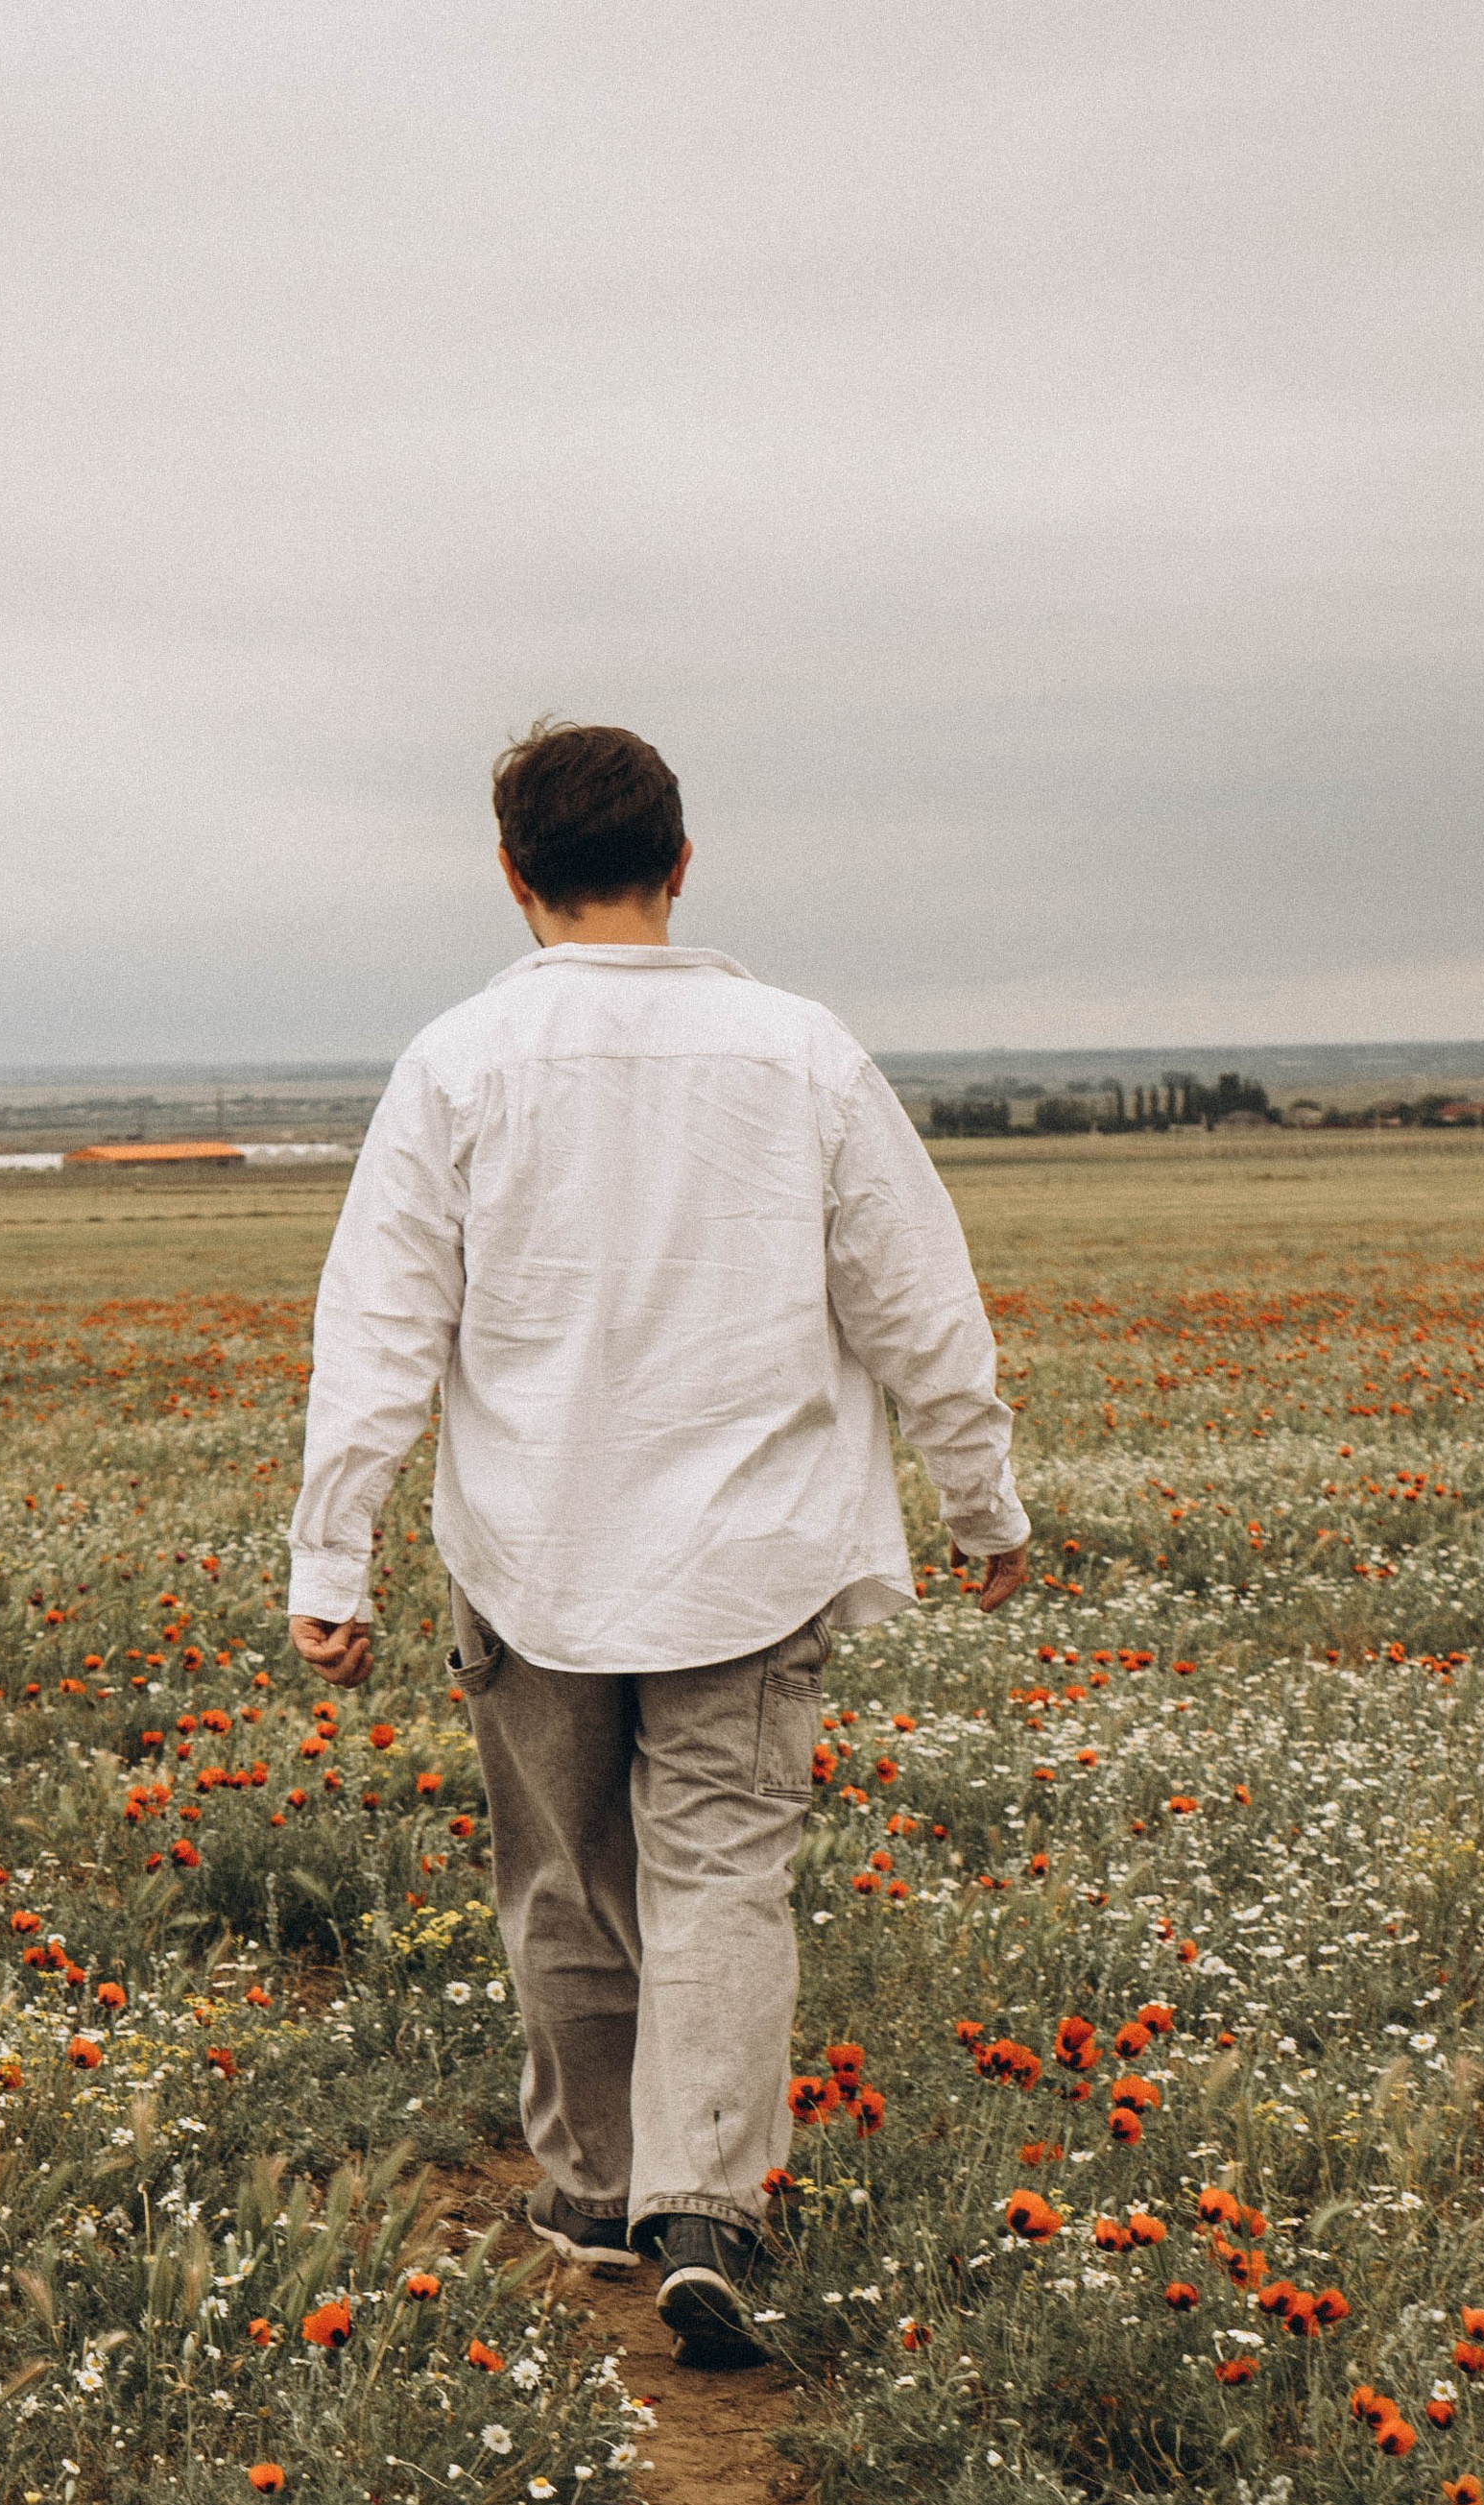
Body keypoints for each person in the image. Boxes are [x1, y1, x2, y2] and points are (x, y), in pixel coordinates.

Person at [286, 719, 1028, 2365]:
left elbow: (380, 1331)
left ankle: (594, 2191)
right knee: (722, 1873)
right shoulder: (805, 1053)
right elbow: (923, 1306)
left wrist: (330, 1563)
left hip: (531, 1556)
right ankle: (704, 2202)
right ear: (683, 865)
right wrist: (984, 1504)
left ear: (511, 875)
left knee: (563, 1878)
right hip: (753, 1559)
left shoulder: (458, 1063)